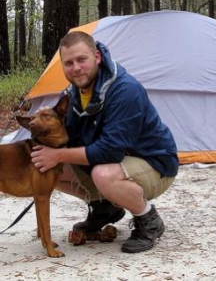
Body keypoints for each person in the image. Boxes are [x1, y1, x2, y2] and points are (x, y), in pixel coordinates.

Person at [30, 31, 179, 253]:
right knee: (48, 166)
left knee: (102, 173)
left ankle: (148, 219)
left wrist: (58, 155)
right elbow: (65, 139)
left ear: (97, 57)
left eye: (82, 60)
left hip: (155, 163)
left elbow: (109, 151)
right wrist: (49, 124)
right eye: (68, 63)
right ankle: (104, 208)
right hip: (118, 161)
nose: (76, 68)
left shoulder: (125, 90)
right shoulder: (72, 94)